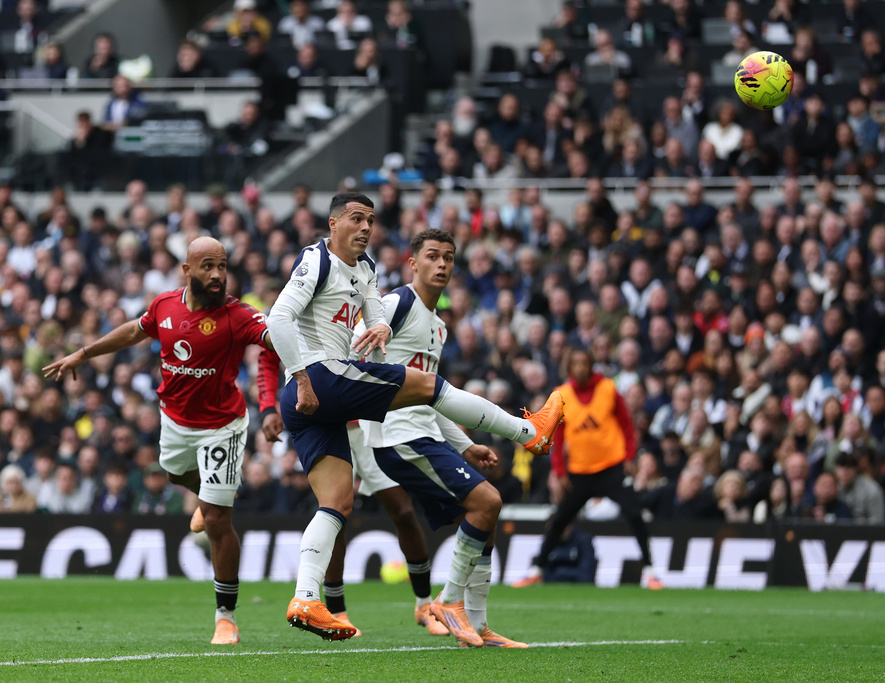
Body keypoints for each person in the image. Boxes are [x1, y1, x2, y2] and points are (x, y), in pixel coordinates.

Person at [264, 192, 564, 642]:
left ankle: (306, 596)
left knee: (339, 501)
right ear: (332, 223)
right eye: (356, 219)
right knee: (426, 387)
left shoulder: (366, 272)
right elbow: (279, 318)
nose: (366, 227)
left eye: (370, 220)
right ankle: (527, 431)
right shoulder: (317, 260)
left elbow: (372, 319)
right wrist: (302, 378)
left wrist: (377, 324)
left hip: (321, 397)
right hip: (319, 380)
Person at [43, 236, 278, 646]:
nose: (218, 275)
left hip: (223, 424)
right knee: (173, 475)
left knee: (218, 521)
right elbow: (133, 332)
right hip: (174, 419)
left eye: (222, 266)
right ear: (186, 270)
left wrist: (302, 362)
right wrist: (83, 353)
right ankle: (214, 492)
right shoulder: (164, 305)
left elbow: (276, 339)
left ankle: (226, 617)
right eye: (207, 266)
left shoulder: (238, 315)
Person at [343, 228, 526, 647]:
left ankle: (476, 626)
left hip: (425, 434)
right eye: (432, 256)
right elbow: (352, 352)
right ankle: (447, 601)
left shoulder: (439, 328)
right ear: (414, 262)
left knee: (485, 517)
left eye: (448, 257)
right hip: (398, 438)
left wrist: (464, 444)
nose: (441, 264)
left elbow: (431, 397)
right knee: (489, 502)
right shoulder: (394, 304)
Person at [513, 349, 663, 590]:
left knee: (634, 513)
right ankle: (537, 569)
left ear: (591, 365)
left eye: (585, 363)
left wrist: (630, 457)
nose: (581, 368)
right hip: (579, 471)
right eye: (576, 364)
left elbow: (626, 425)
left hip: (611, 467)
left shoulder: (608, 388)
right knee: (560, 518)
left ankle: (650, 571)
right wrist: (560, 471)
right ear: (569, 368)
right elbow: (557, 436)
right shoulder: (561, 395)